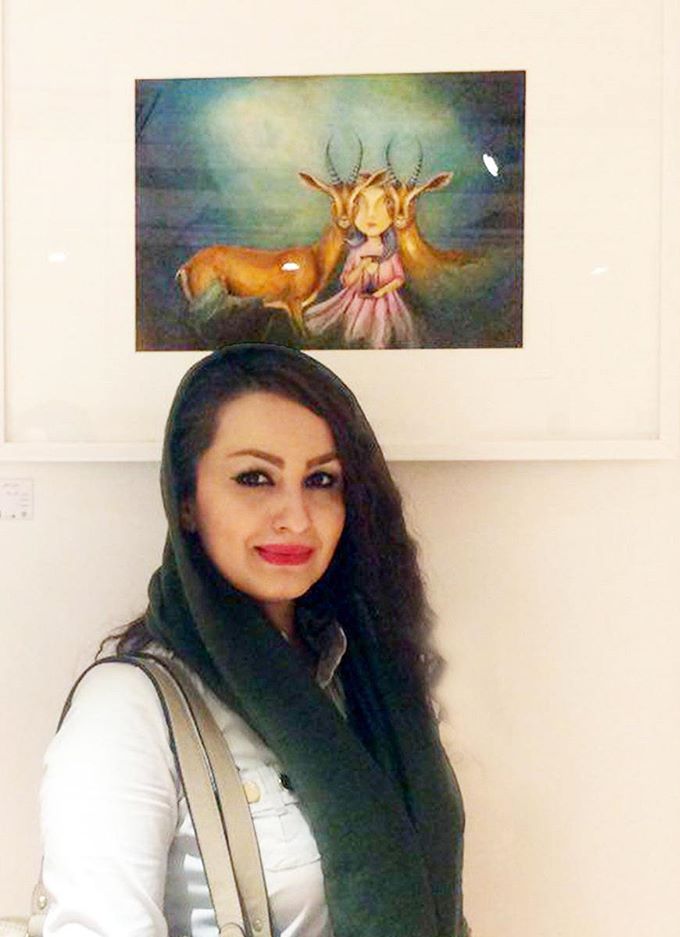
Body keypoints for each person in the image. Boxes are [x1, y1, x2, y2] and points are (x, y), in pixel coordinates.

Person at [39, 342, 466, 937]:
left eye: (321, 479)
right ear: (187, 503)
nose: (296, 516)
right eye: (255, 478)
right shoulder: (127, 709)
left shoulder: (365, 679)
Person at [304, 179, 419, 349]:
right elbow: (347, 281)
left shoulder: (390, 252)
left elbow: (399, 278)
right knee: (353, 334)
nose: (371, 215)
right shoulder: (356, 251)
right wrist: (361, 266)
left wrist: (382, 291)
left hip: (385, 302)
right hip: (357, 301)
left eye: (382, 206)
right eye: (362, 206)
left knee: (382, 332)